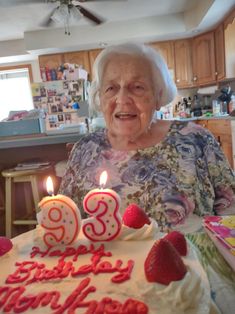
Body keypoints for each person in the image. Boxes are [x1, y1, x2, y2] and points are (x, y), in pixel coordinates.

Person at [59, 42, 235, 314]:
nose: (122, 99)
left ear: (158, 95)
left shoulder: (197, 140)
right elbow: (63, 224)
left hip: (192, 282)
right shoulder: (85, 149)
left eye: (137, 87)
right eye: (111, 87)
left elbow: (230, 218)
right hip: (103, 287)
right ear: (100, 98)